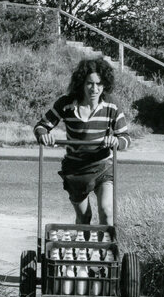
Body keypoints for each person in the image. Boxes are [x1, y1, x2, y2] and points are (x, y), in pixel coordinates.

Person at [34, 58, 130, 225]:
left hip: (102, 167)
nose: (94, 89)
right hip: (75, 170)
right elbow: (40, 127)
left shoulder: (112, 105)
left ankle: (105, 243)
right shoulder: (66, 104)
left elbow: (125, 138)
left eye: (99, 84)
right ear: (81, 83)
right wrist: (44, 136)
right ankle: (83, 242)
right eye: (89, 83)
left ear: (105, 85)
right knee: (84, 218)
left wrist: (116, 141)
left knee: (107, 212)